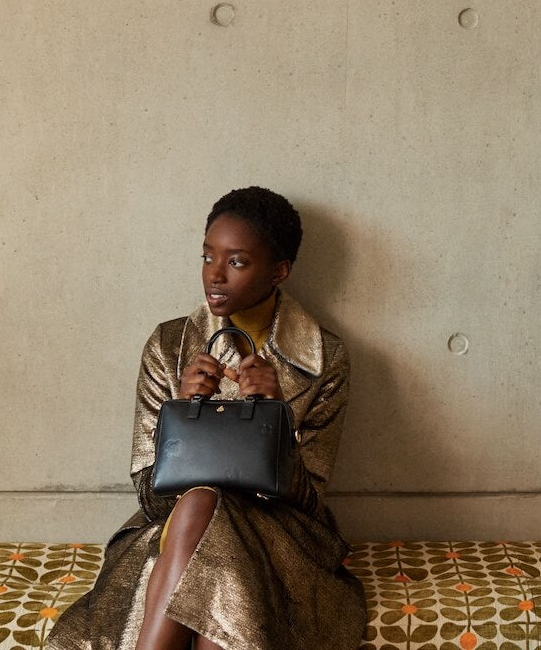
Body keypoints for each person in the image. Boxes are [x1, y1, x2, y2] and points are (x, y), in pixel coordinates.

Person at [46, 187, 365, 650]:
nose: (214, 276)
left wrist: (275, 415)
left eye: (236, 262)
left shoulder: (325, 357)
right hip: (176, 529)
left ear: (279, 271)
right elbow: (154, 498)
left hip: (282, 537)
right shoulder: (169, 345)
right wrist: (182, 412)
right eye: (207, 256)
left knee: (217, 543)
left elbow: (310, 500)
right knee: (199, 507)